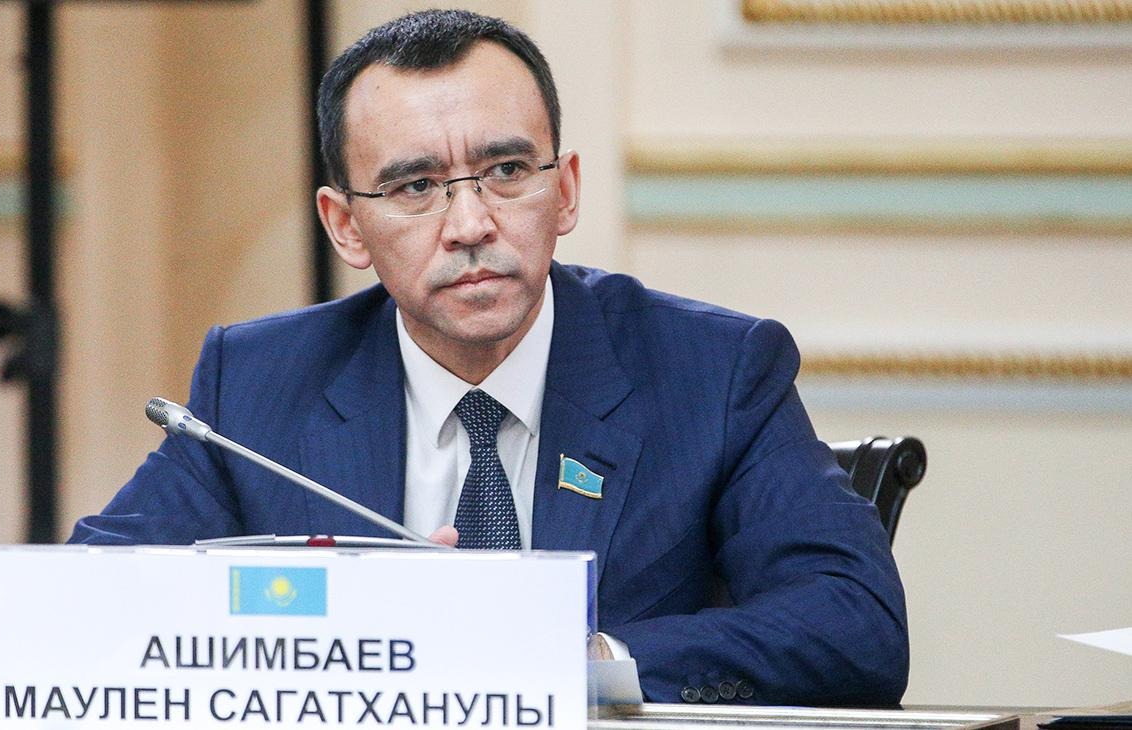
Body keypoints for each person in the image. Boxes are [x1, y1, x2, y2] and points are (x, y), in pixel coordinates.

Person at [71, 9, 908, 706]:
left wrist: (583, 659)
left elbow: (854, 624)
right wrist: (335, 640)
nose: (471, 224)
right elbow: (85, 603)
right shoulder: (258, 383)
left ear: (565, 190)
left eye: (506, 170)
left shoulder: (714, 371)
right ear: (346, 227)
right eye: (415, 187)